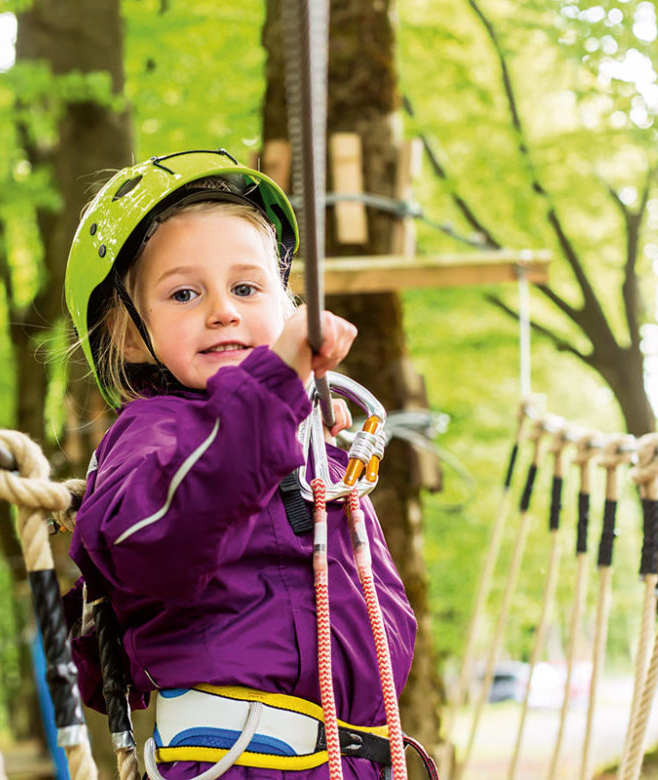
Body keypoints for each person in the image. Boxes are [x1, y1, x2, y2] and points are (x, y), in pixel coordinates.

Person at [62, 149, 417, 780]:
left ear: (286, 306)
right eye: (184, 292)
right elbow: (163, 537)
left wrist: (296, 418)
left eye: (247, 288)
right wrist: (274, 388)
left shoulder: (310, 447)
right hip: (242, 760)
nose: (223, 309)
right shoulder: (153, 436)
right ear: (128, 334)